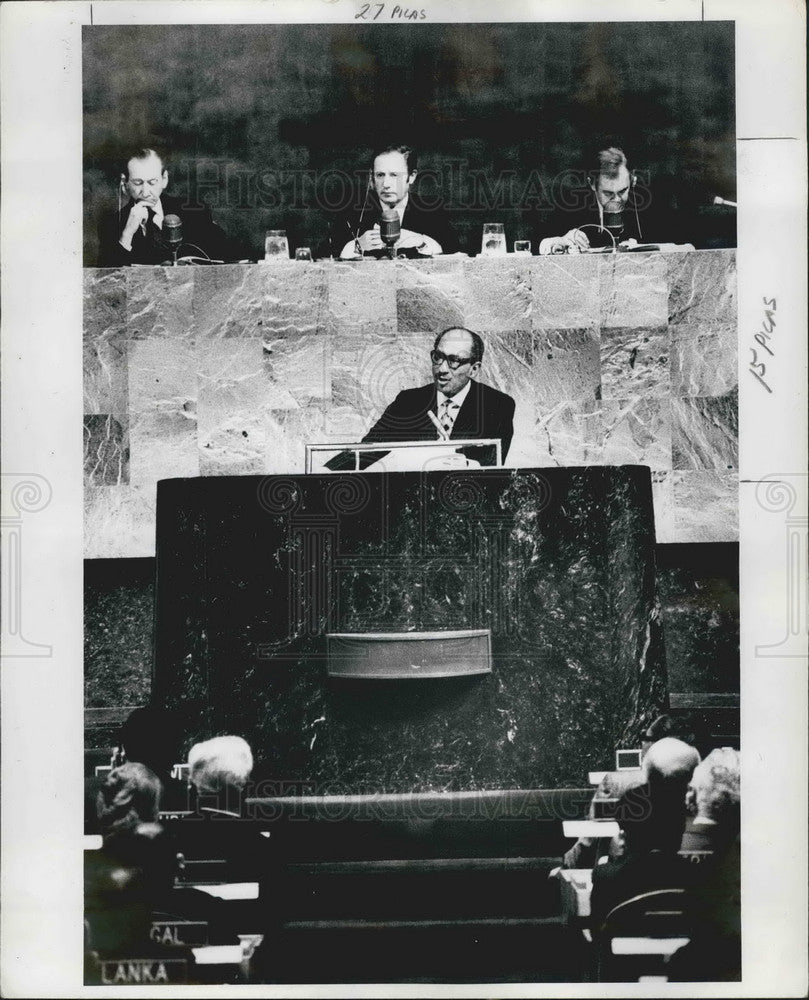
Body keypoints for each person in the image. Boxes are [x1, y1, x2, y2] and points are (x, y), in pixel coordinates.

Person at [325, 327, 515, 471]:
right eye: (438, 357)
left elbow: (493, 467)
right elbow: (367, 451)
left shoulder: (498, 405)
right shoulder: (409, 402)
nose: (442, 369)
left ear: (474, 369)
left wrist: (461, 463)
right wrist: (323, 472)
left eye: (454, 361)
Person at [98, 147, 235, 266]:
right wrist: (127, 233)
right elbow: (105, 281)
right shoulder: (111, 224)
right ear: (125, 183)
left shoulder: (195, 211)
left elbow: (224, 259)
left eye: (152, 182)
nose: (145, 192)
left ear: (164, 179)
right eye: (138, 183)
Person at [328, 144, 459, 259]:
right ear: (372, 178)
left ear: (411, 176)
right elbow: (326, 256)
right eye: (380, 175)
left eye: (394, 175)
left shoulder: (432, 211)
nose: (386, 184)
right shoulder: (352, 213)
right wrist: (358, 245)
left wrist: (421, 242)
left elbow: (455, 253)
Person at [537, 146, 660, 254]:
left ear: (633, 181)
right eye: (608, 193)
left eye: (622, 191)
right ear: (592, 184)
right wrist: (562, 240)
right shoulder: (570, 203)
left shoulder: (648, 204)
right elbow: (537, 245)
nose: (616, 200)